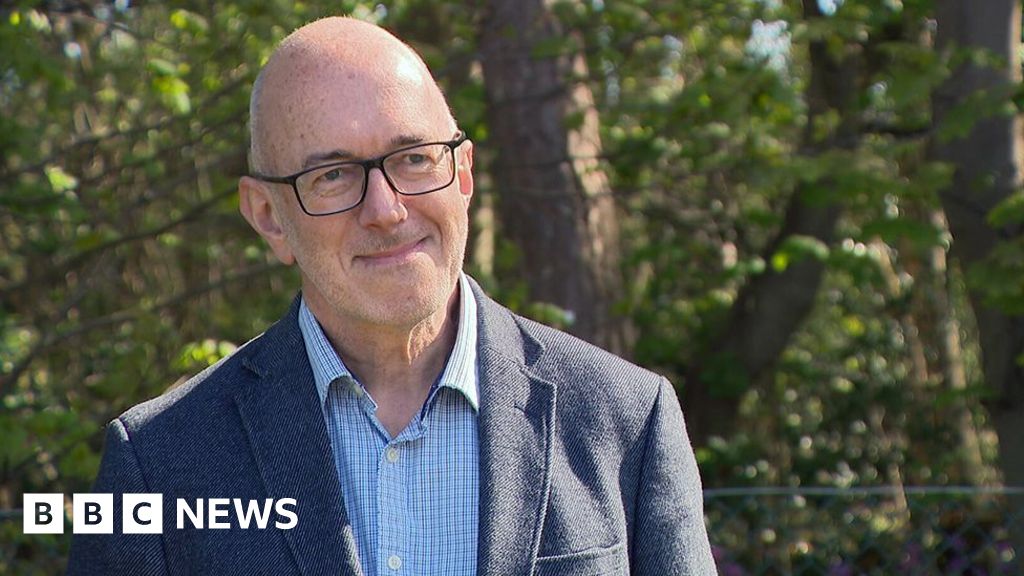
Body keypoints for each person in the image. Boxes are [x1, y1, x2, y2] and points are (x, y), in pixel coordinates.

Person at [67, 17, 715, 576]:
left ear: (463, 174)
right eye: (333, 175)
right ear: (268, 217)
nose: (386, 209)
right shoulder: (156, 461)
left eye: (414, 159)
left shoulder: (627, 419)